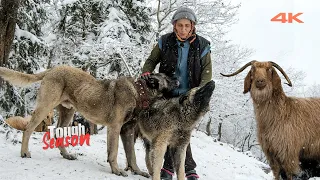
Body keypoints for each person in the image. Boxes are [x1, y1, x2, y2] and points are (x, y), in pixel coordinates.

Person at [140, 6, 212, 180]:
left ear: (192, 26)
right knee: (170, 132)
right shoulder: (164, 41)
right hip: (167, 95)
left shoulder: (203, 44)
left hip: (189, 97)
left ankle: (175, 169)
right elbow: (151, 60)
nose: (184, 29)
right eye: (180, 25)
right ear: (174, 26)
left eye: (187, 26)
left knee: (183, 132)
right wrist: (146, 72)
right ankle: (184, 169)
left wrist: (200, 90)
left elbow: (207, 72)